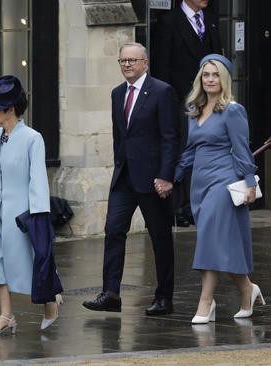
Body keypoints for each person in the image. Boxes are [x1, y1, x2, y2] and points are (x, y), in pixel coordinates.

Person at [82, 42, 179, 316]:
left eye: (132, 61)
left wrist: (166, 175)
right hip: (124, 177)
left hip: (153, 179)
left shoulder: (162, 92)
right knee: (113, 231)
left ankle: (164, 297)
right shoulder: (117, 94)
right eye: (123, 61)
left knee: (160, 238)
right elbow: (119, 136)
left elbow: (171, 137)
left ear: (145, 63)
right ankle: (111, 293)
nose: (127, 65)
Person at [174, 54, 263, 324]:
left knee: (209, 240)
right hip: (199, 183)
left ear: (224, 79)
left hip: (224, 181)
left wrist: (250, 182)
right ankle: (247, 288)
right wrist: (172, 176)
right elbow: (190, 151)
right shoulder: (194, 109)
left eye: (215, 75)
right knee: (220, 242)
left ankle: (205, 302)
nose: (210, 79)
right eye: (206, 75)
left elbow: (241, 148)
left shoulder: (233, 110)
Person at [0, 75, 62, 335]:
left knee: (34, 260)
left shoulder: (33, 138)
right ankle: (6, 316)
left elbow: (38, 180)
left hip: (23, 214)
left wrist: (38, 216)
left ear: (10, 108)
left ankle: (50, 302)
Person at [154, 0, 222, 227]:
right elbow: (162, 65)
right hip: (180, 100)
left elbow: (218, 61)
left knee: (205, 148)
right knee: (183, 148)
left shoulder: (210, 20)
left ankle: (198, 204)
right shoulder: (169, 21)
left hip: (208, 98)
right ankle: (179, 207)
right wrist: (166, 101)